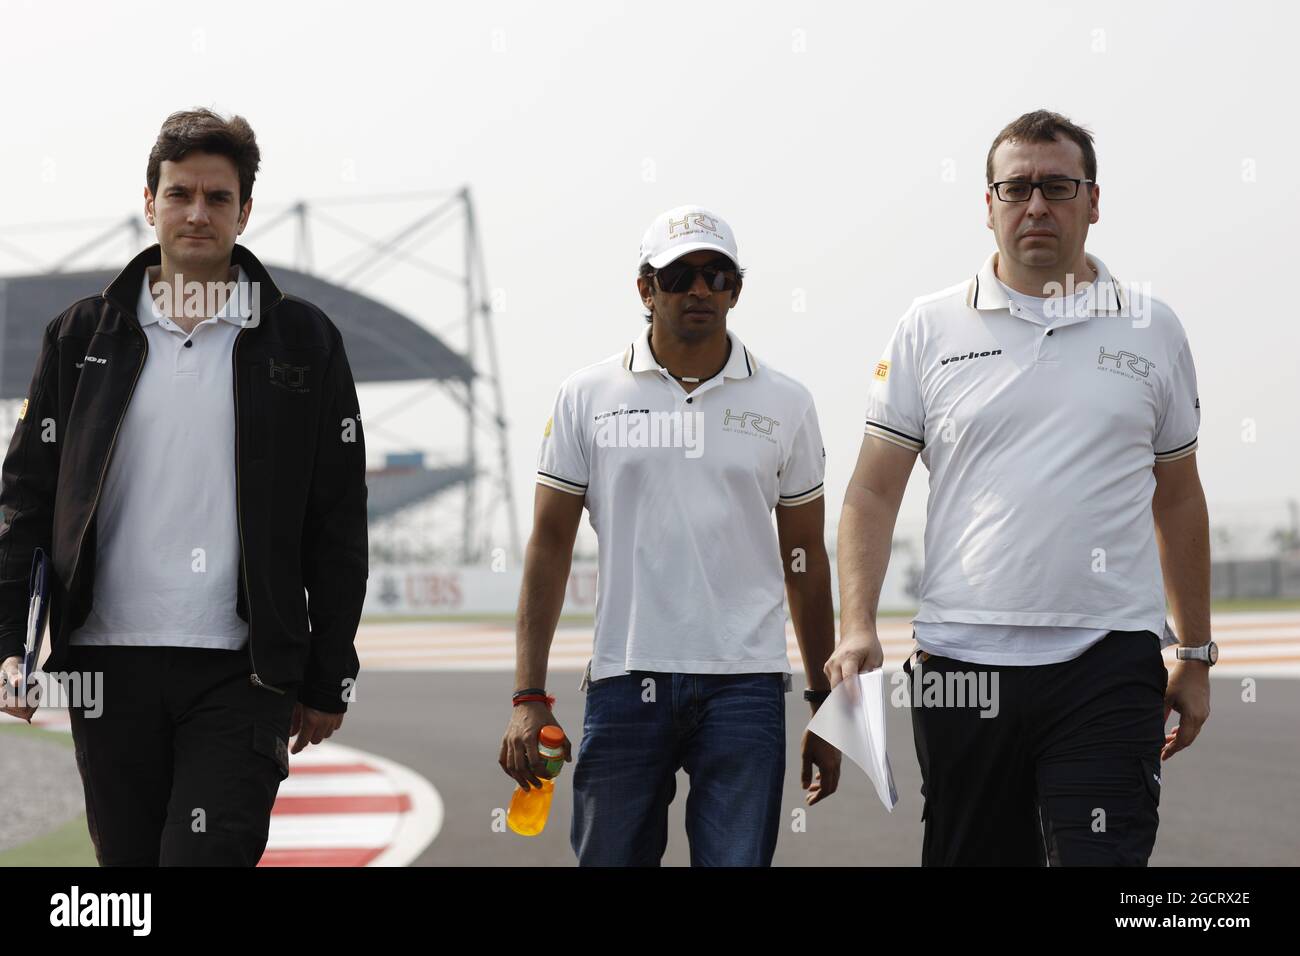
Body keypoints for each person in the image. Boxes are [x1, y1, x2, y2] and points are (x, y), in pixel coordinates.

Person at [830, 110, 1213, 866]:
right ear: (989, 204)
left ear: (1093, 201)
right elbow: (872, 492)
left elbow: (1178, 497)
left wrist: (1194, 653)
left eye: (1057, 186)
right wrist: (856, 625)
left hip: (1109, 663)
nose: (1035, 204)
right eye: (1016, 188)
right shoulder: (927, 327)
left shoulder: (1152, 328)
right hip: (960, 665)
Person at [0, 108, 369, 866]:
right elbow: (27, 502)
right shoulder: (80, 337)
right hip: (105, 665)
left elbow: (337, 520)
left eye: (218, 197)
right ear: (149, 202)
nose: (197, 213)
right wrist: (8, 645)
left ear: (244, 211)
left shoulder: (302, 340)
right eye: (179, 194)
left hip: (244, 668)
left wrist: (330, 671)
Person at [499, 205, 840, 866]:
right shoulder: (586, 395)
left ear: (736, 290)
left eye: (717, 275)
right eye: (679, 274)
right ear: (644, 288)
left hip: (745, 685)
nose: (699, 289)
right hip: (626, 678)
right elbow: (547, 546)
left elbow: (806, 563)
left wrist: (827, 707)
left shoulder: (786, 402)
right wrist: (528, 698)